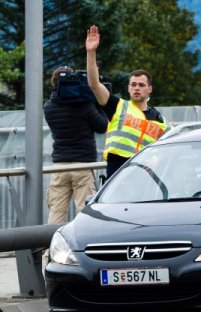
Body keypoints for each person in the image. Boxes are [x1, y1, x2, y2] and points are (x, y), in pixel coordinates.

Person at [85, 25, 170, 179]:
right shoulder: (118, 106)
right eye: (133, 85)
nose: (137, 88)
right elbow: (94, 84)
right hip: (118, 172)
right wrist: (91, 52)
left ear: (150, 89)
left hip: (145, 174)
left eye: (141, 85)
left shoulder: (161, 120)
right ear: (129, 88)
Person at [43, 66, 108, 224]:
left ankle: (51, 247)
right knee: (84, 212)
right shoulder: (84, 105)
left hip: (59, 167)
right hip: (82, 166)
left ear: (54, 83)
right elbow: (102, 126)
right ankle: (80, 247)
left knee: (56, 213)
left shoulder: (48, 107)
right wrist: (99, 105)